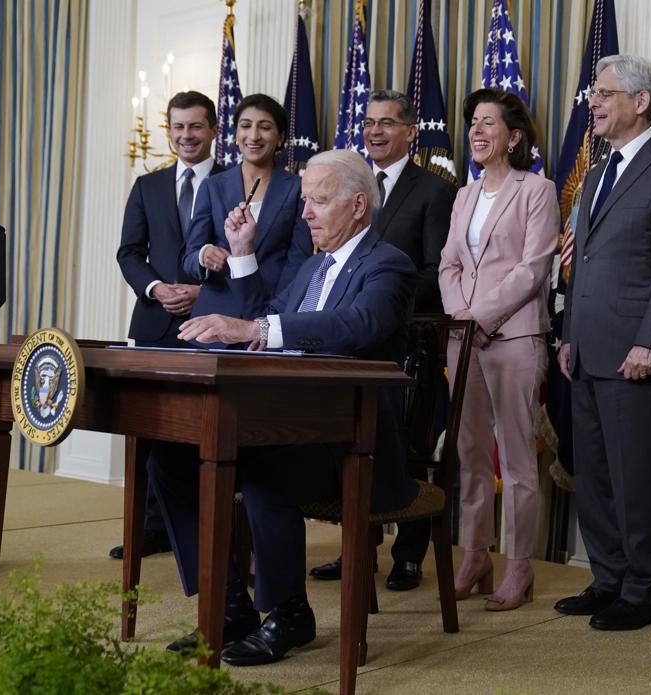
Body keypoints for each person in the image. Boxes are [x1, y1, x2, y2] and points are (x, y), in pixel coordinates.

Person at [151, 149, 419, 666]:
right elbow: (268, 319)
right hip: (295, 427)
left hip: (355, 445)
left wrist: (256, 329)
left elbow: (358, 326)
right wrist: (243, 252)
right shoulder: (315, 266)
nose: (305, 214)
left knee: (266, 469)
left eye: (318, 201)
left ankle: (289, 613)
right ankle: (230, 606)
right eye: (304, 201)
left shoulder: (389, 264)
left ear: (358, 206)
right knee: (171, 459)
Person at [554, 55, 651, 631]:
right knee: (592, 472)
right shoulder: (595, 173)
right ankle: (608, 579)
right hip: (586, 349)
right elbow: (583, 267)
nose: (591, 102)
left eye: (604, 93)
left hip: (637, 354)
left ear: (640, 102)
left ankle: (644, 590)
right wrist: (567, 336)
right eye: (592, 92)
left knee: (635, 475)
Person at [308, 89, 456, 592]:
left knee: (405, 447)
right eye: (369, 122)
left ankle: (409, 555)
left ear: (411, 132)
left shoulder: (434, 191)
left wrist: (383, 293)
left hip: (406, 341)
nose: (375, 131)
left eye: (387, 123)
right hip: (349, 343)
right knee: (350, 445)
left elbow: (438, 268)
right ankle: (358, 552)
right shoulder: (346, 185)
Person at [438, 88, 559, 612]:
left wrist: (482, 316)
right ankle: (475, 558)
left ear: (513, 137)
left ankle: (519, 567)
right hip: (461, 341)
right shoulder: (464, 195)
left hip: (513, 339)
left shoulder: (538, 190)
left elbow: (533, 269)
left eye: (488, 122)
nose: (476, 130)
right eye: (473, 123)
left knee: (515, 461)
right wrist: (462, 318)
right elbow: (448, 264)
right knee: (468, 456)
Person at [112, 90, 221, 560]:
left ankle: (207, 529)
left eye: (195, 127)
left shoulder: (234, 182)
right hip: (155, 322)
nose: (185, 136)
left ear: (214, 130)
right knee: (150, 429)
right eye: (177, 127)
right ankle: (151, 528)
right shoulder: (147, 186)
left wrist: (202, 293)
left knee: (205, 429)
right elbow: (129, 253)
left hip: (213, 322)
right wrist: (157, 289)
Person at [180, 93, 312, 341]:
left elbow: (297, 263)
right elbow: (190, 256)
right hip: (212, 321)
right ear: (236, 134)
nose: (253, 136)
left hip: (267, 318)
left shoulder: (298, 189)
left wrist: (270, 321)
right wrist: (204, 255)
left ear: (280, 136)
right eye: (245, 126)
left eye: (265, 127)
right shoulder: (212, 186)